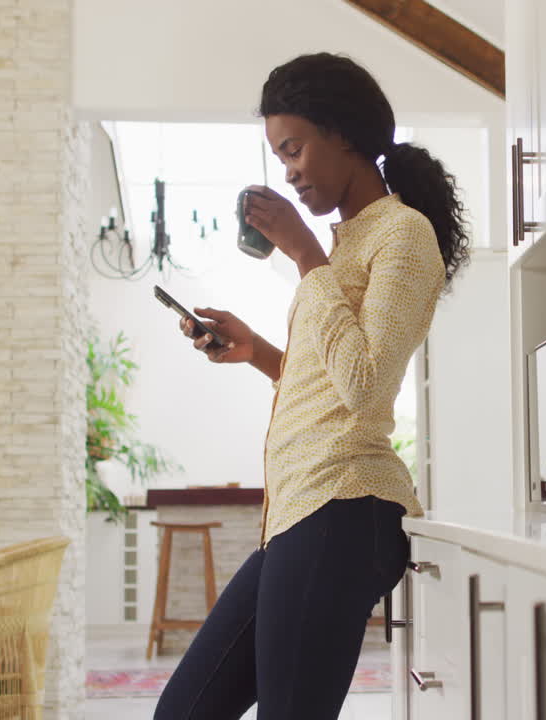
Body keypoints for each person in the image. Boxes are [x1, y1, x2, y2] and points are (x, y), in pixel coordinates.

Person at [154, 52, 469, 720]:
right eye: (280, 157)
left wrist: (304, 255)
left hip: (345, 505)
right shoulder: (344, 246)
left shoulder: (403, 235)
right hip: (301, 512)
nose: (289, 172)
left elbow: (365, 387)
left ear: (344, 134)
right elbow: (330, 381)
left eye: (294, 150)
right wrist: (258, 353)